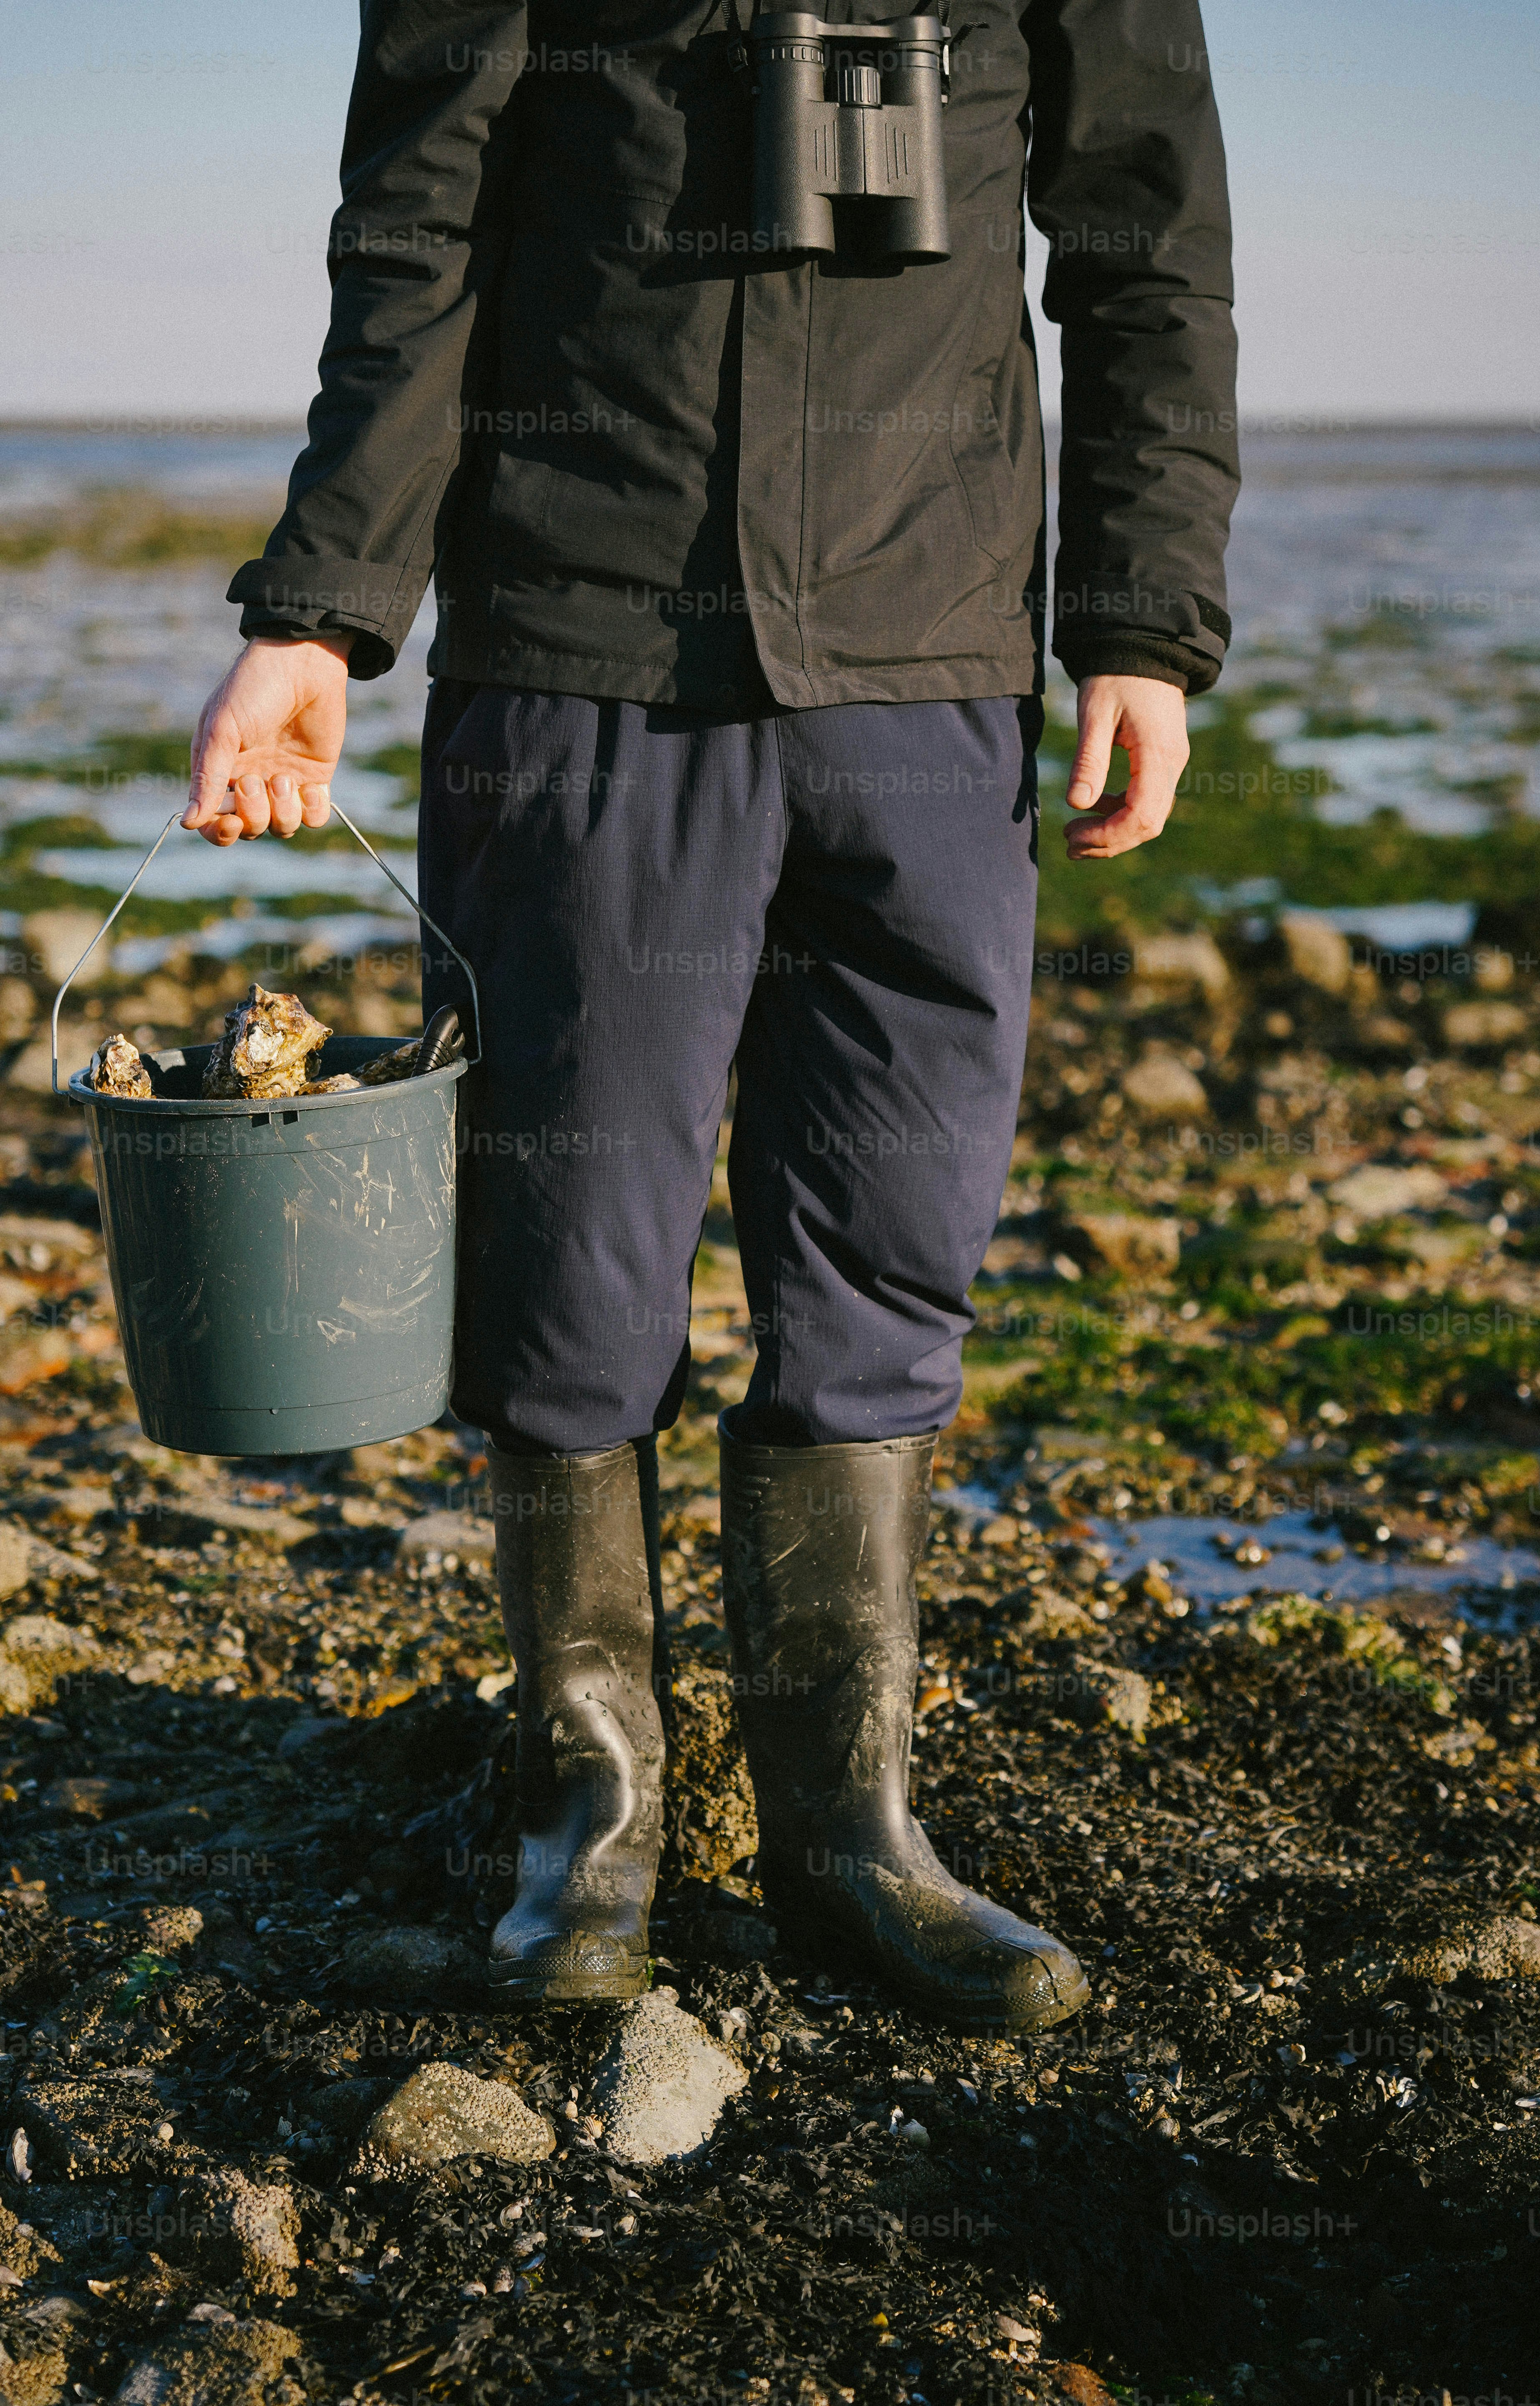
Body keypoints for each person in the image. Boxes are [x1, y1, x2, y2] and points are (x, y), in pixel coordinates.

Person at [186, 0, 1237, 2032]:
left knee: (888, 1261)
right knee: (565, 1277)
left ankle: (852, 1836)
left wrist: (1137, 621)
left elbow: (1143, 241)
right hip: (585, 657)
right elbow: (414, 227)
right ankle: (585, 1830)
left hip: (928, 684)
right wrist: (317, 613)